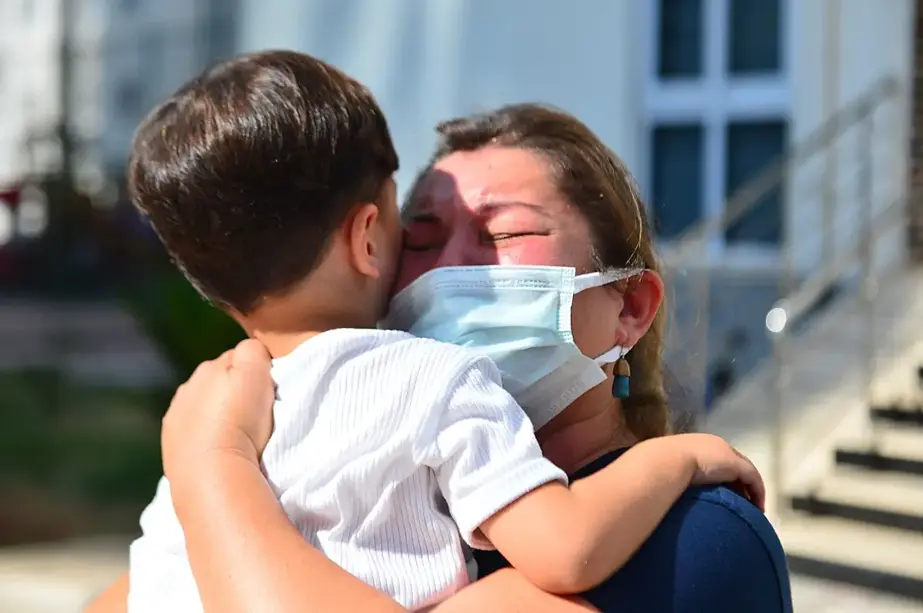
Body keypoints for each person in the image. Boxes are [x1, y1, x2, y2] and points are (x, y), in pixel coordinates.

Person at [120, 50, 764, 613]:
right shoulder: (390, 413)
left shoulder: (696, 539)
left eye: (503, 233)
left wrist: (211, 466)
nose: (451, 266)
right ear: (370, 243)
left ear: (629, 306)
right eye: (420, 238)